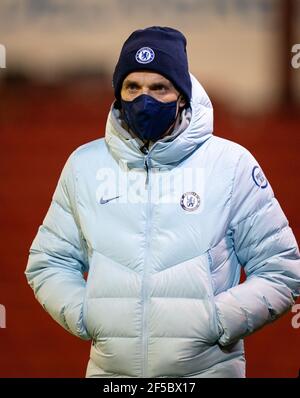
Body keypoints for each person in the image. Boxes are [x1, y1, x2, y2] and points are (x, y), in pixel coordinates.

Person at [25, 26, 300, 378]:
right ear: (118, 94)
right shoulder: (84, 165)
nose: (145, 99)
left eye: (159, 88)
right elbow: (47, 262)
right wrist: (86, 314)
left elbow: (281, 269)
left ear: (182, 95)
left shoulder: (231, 165)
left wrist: (215, 321)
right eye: (132, 87)